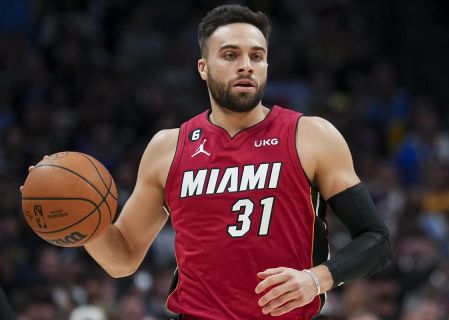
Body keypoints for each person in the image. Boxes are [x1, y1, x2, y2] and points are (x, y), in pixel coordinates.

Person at [24, 4, 391, 320]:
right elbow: (122, 259)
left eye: (256, 56)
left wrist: (317, 279)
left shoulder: (311, 136)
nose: (245, 65)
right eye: (230, 55)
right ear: (203, 67)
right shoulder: (168, 147)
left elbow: (376, 239)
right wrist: (83, 224)